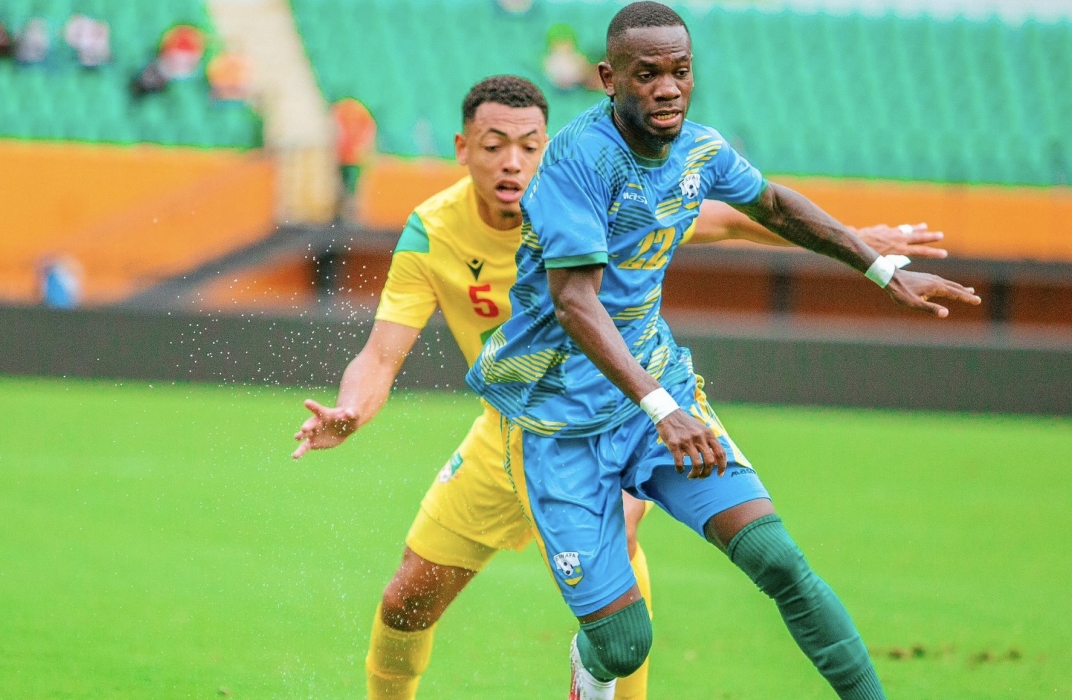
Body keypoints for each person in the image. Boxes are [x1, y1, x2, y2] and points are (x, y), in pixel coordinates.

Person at [292, 75, 946, 700]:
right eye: (494, 147)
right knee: (407, 601)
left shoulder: (587, 197)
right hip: (510, 437)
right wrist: (352, 409)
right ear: (463, 149)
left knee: (624, 595)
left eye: (529, 146)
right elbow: (380, 356)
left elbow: (734, 215)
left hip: (622, 416)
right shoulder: (432, 231)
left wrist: (859, 246)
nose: (512, 162)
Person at [463, 4, 981, 699]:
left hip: (656, 395)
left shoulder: (701, 150)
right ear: (608, 79)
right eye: (647, 75)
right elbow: (575, 302)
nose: (668, 88)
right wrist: (661, 409)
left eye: (680, 71)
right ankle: (592, 664)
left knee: (777, 558)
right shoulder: (577, 162)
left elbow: (775, 206)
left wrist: (882, 271)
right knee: (624, 643)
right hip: (559, 423)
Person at [331, 97, 377, 223]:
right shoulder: (340, 115)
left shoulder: (360, 116)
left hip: (354, 158)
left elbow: (368, 132)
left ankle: (351, 212)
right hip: (342, 156)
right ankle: (341, 211)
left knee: (354, 186)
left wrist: (361, 149)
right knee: (340, 184)